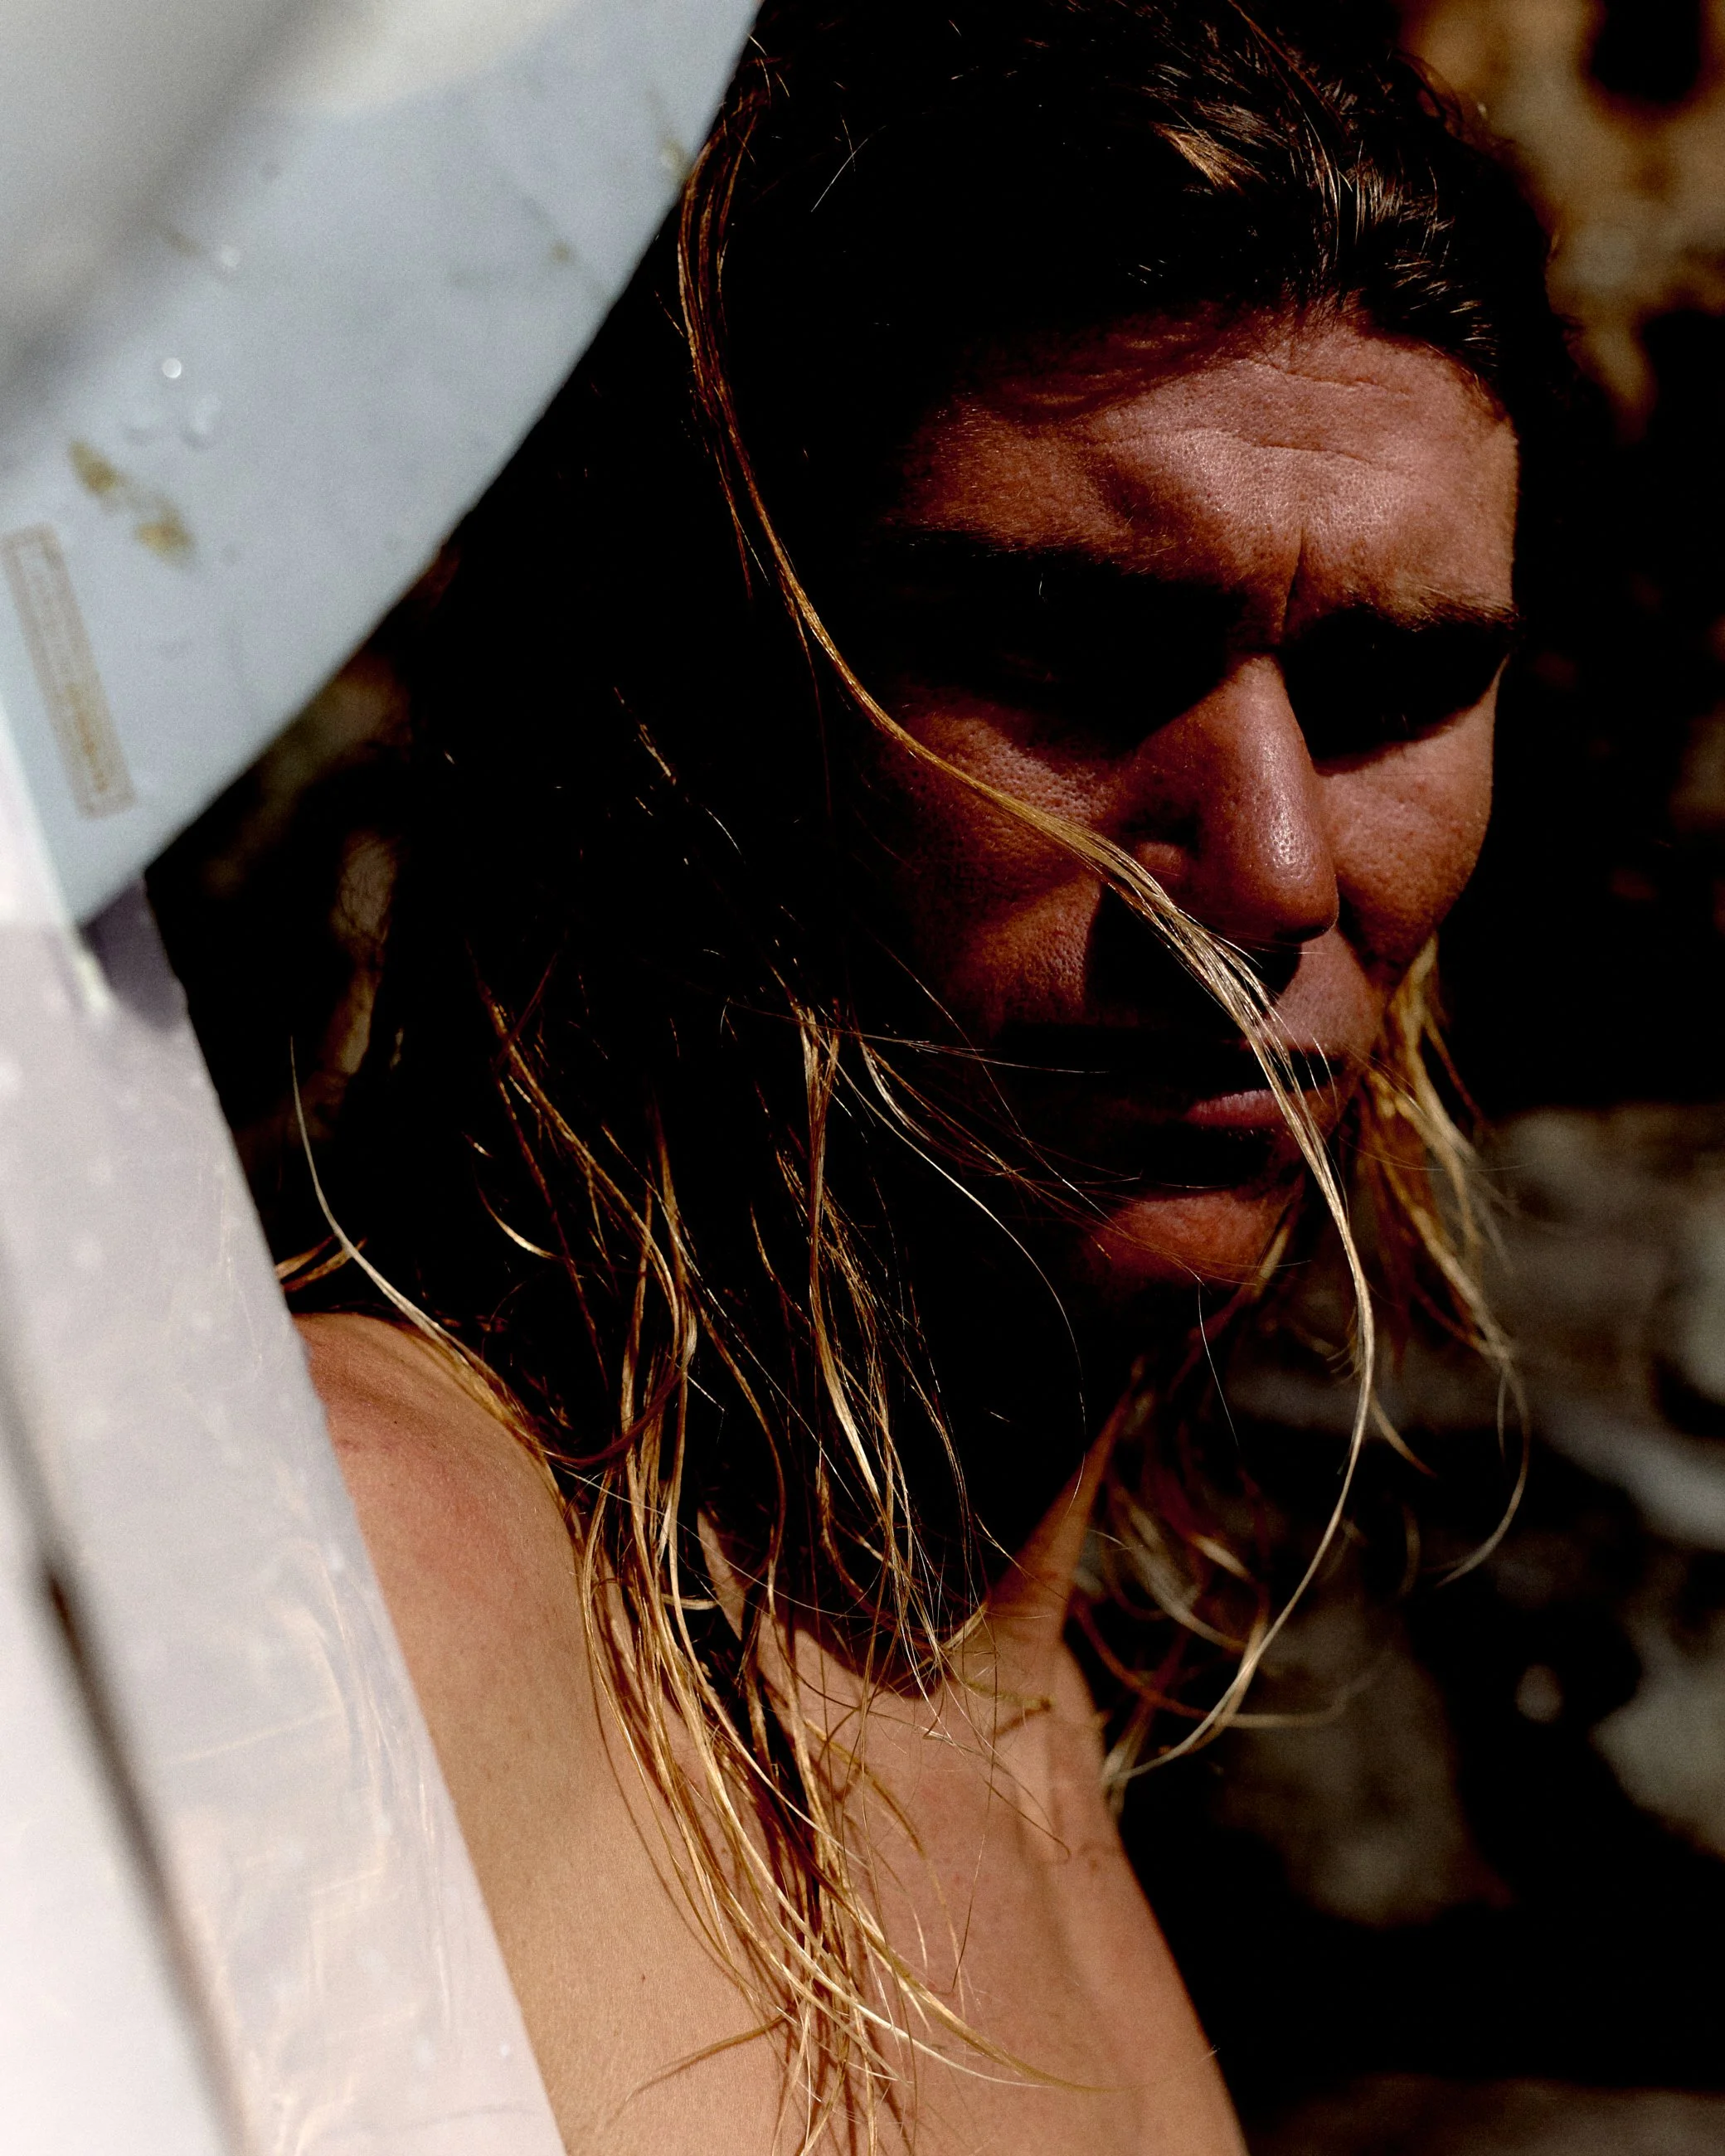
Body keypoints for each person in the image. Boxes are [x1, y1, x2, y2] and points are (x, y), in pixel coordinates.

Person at [293, 2, 1568, 2149]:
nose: (1264, 866)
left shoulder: (1007, 1703)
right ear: (675, 685)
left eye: (1394, 684)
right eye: (1061, 640)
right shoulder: (362, 1582)